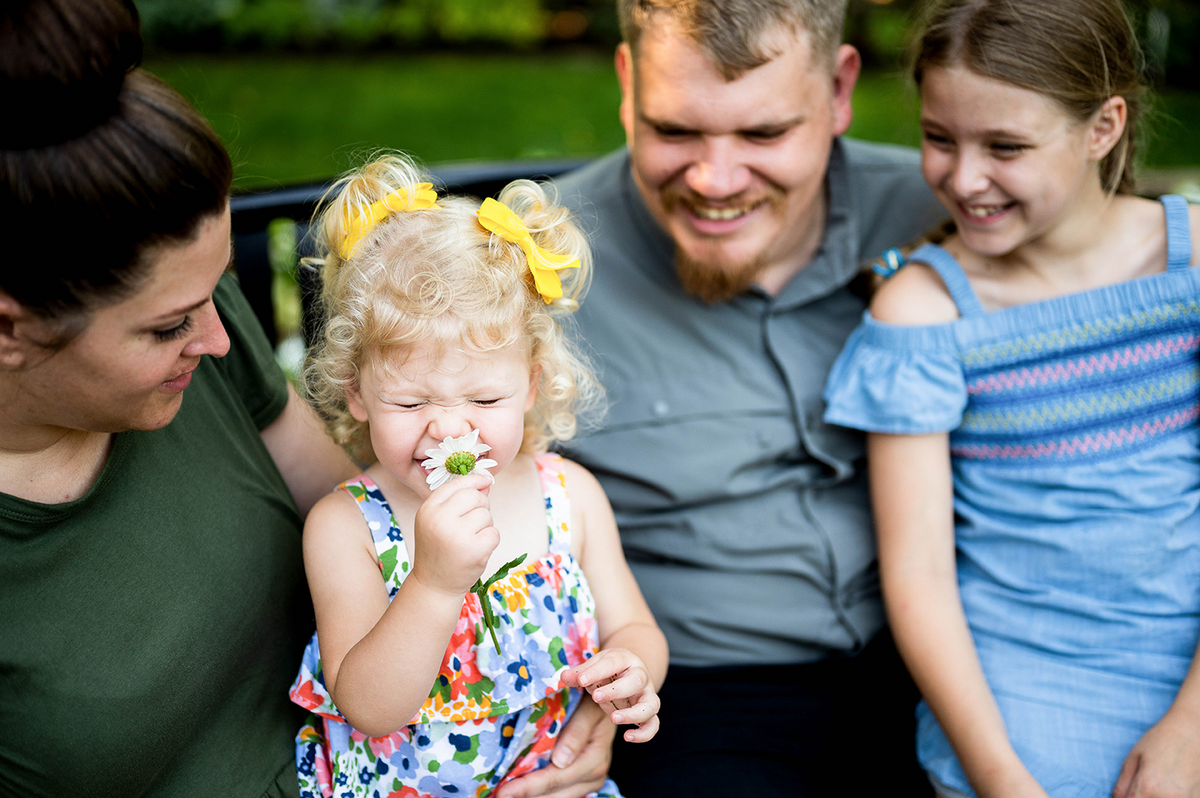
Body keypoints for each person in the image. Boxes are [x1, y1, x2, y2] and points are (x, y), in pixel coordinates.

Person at [548, 0, 947, 794]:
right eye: (675, 132)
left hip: (946, 662)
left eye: (765, 135)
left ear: (839, 90)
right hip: (694, 697)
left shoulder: (944, 214)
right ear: (628, 86)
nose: (715, 180)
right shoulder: (535, 270)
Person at [822, 0, 1200, 795]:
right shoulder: (925, 311)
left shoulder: (1191, 268)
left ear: (1103, 128)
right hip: (1022, 700)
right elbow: (920, 577)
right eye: (938, 139)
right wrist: (1003, 779)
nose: (963, 178)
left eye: (1006, 146)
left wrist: (1189, 728)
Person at [0, 1, 358, 796]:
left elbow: (368, 522)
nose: (220, 340)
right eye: (166, 327)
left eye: (216, 291)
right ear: (9, 329)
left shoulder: (203, 333)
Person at [286, 153, 668, 798]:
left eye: (484, 401)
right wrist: (435, 583)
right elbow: (370, 709)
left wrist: (631, 671)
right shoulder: (346, 527)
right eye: (411, 403)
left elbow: (634, 627)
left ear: (530, 386)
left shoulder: (568, 498)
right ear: (356, 395)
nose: (448, 429)